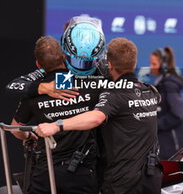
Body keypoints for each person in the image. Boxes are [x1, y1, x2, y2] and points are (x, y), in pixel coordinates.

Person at [36, 37, 163, 194]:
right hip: (151, 179)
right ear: (134, 63)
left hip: (123, 181)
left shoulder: (113, 94)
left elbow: (96, 118)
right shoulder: (150, 91)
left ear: (109, 64)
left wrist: (56, 125)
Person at [10, 36, 100, 194]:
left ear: (38, 65)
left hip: (47, 172)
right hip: (82, 171)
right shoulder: (87, 82)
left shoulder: (34, 91)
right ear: (65, 57)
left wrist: (29, 136)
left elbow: (15, 128)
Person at [5, 15, 107, 100]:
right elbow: (13, 86)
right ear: (64, 52)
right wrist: (45, 87)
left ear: (100, 55)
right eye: (75, 59)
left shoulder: (107, 67)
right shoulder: (57, 65)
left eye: (88, 62)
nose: (81, 66)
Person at [150, 46, 183, 160]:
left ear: (163, 66)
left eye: (154, 64)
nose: (151, 67)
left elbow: (177, 114)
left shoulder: (169, 85)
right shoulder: (161, 84)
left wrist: (154, 124)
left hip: (177, 148)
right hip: (167, 146)